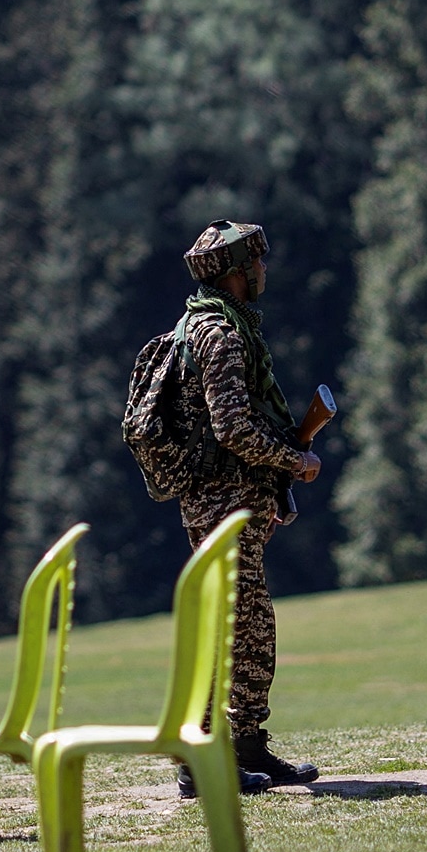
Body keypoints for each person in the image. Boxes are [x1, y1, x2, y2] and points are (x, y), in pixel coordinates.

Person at [168, 221, 322, 796]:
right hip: (222, 506)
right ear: (237, 272)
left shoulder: (217, 326)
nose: (263, 270)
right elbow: (232, 426)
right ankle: (197, 760)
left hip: (235, 502)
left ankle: (247, 746)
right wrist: (293, 461)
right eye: (257, 262)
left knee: (251, 630)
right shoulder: (220, 336)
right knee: (225, 630)